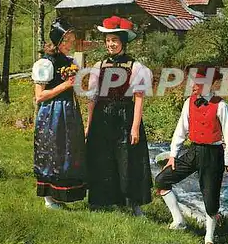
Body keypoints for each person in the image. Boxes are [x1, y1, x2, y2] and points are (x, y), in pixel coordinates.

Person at [154, 65, 228, 244]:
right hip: (193, 151)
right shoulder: (189, 102)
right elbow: (180, 131)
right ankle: (179, 221)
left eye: (197, 82)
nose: (193, 85)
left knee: (210, 198)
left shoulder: (221, 105)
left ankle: (209, 237)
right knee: (161, 180)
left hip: (213, 155)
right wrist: (173, 155)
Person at [85, 15, 153, 216]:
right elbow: (92, 98)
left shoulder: (135, 67)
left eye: (114, 40)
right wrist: (89, 125)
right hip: (102, 116)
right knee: (102, 158)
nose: (110, 45)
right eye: (107, 41)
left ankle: (132, 204)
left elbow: (139, 98)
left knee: (127, 159)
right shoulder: (99, 66)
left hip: (125, 115)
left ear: (122, 42)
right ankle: (100, 201)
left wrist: (134, 127)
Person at [31, 19, 87, 209]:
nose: (70, 43)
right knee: (51, 151)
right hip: (51, 113)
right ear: (56, 41)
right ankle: (48, 199)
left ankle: (59, 194)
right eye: (66, 40)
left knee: (67, 152)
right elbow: (39, 96)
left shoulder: (69, 61)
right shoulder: (45, 63)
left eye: (72, 40)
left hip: (68, 111)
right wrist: (65, 85)